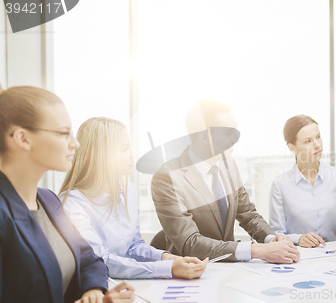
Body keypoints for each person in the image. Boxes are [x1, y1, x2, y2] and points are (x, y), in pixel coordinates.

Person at [0, 85, 135, 303]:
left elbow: (90, 260)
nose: (75, 143)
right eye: (64, 133)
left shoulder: (48, 200)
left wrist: (93, 292)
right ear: (23, 138)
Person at [151, 99, 300, 263]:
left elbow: (248, 215)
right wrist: (256, 250)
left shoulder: (229, 165)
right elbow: (190, 242)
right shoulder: (167, 177)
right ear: (204, 137)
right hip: (188, 272)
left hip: (228, 269)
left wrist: (270, 239)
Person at [59, 117, 208, 280]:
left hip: (127, 283)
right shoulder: (72, 203)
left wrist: (166, 258)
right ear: (102, 154)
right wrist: (168, 269)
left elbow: (133, 246)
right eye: (124, 148)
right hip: (96, 288)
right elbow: (100, 261)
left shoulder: (128, 190)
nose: (133, 154)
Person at [269, 115, 336, 248]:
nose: (317, 145)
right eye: (308, 141)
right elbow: (277, 233)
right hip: (298, 259)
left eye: (318, 137)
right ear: (292, 147)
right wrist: (299, 238)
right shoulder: (280, 184)